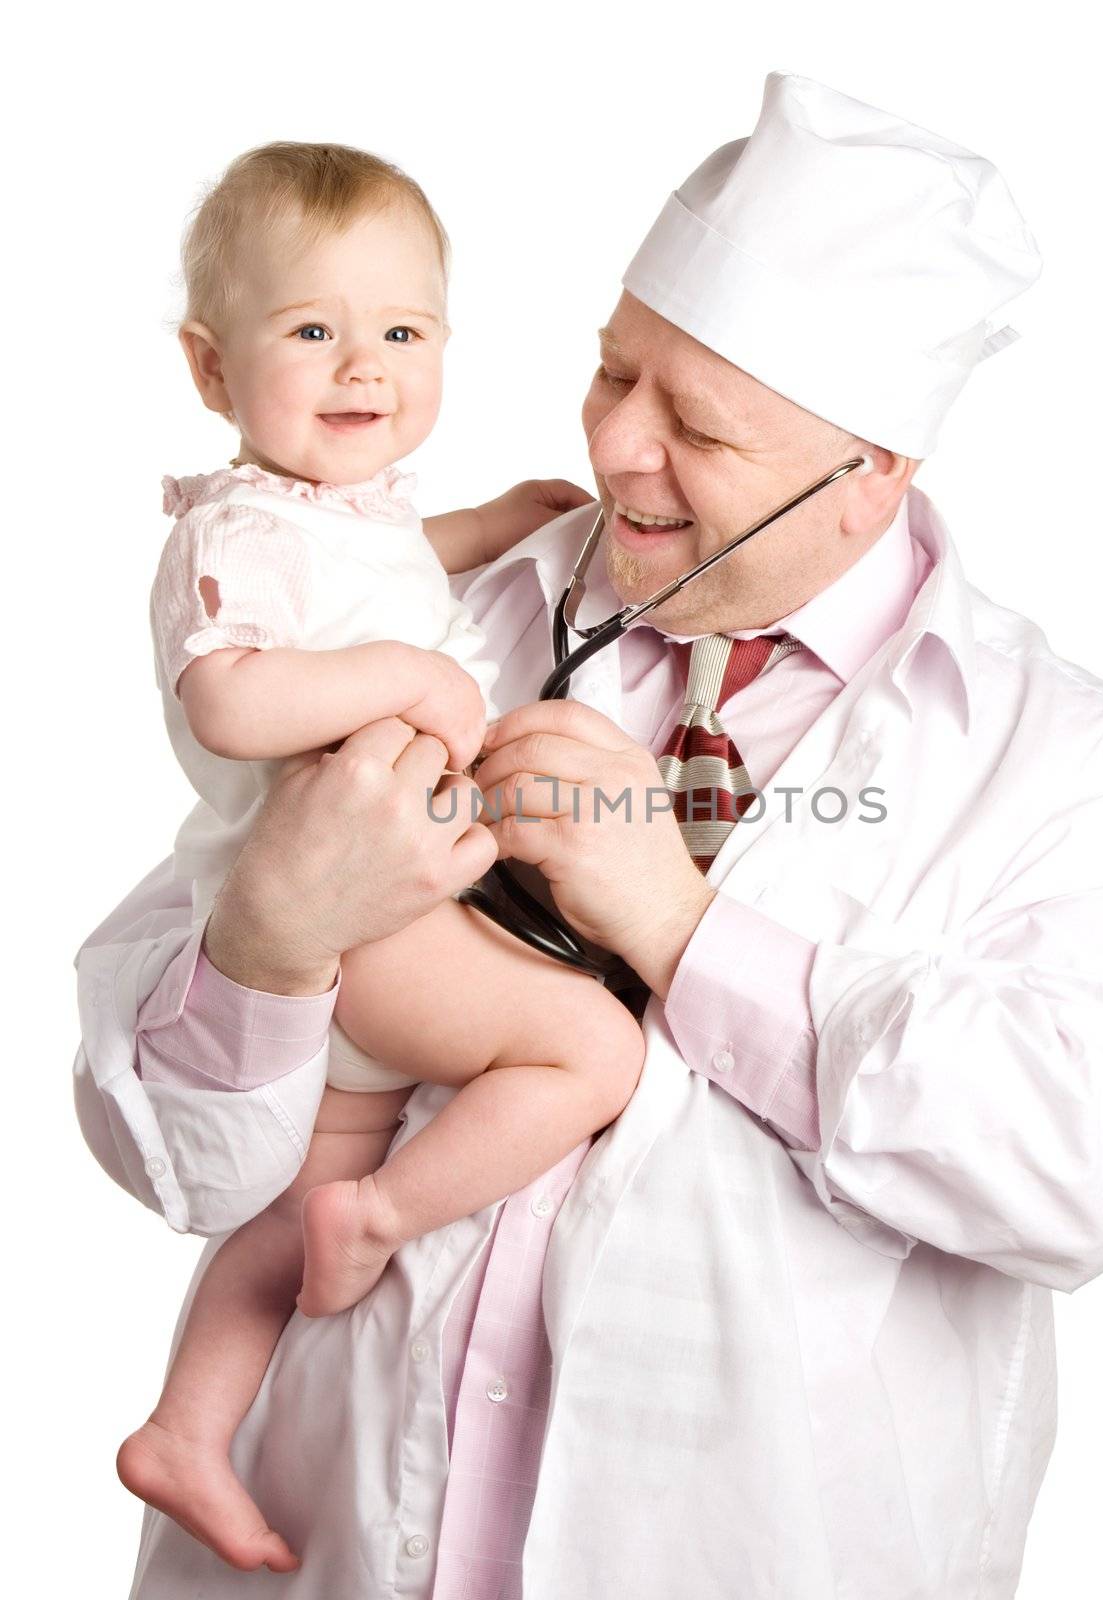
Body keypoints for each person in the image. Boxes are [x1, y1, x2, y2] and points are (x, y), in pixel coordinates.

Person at [74, 74, 1103, 1599]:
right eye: (612, 372)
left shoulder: (1065, 763)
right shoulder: (415, 617)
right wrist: (268, 943)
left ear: (869, 469)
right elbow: (165, 1156)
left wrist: (684, 932)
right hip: (313, 1558)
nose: (617, 448)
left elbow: (1071, 1168)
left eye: (696, 423)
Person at [111, 141, 645, 1574]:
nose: (365, 368)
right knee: (590, 1057)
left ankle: (185, 1427)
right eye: (312, 332)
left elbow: (395, 560)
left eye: (401, 332)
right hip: (371, 918)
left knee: (280, 1219)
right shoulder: (232, 529)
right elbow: (231, 694)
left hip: (369, 933)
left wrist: (493, 527)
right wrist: (408, 675)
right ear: (212, 371)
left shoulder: (342, 516)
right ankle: (390, 1212)